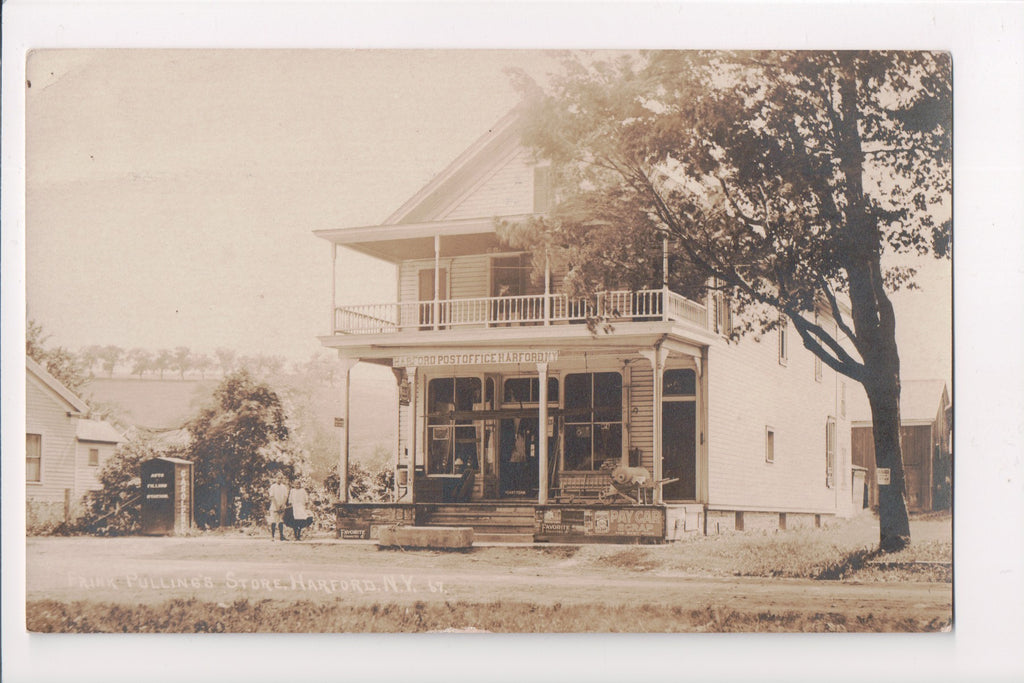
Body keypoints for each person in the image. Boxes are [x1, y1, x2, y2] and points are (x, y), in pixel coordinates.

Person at [267, 473, 290, 541]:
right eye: (278, 478)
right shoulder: (273, 487)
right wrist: (277, 506)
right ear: (275, 478)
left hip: (282, 506)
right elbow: (272, 496)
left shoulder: (284, 487)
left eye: (281, 478)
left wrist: (283, 505)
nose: (279, 479)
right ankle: (272, 537)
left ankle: (281, 536)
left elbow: (285, 496)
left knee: (281, 521)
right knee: (273, 521)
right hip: (274, 506)